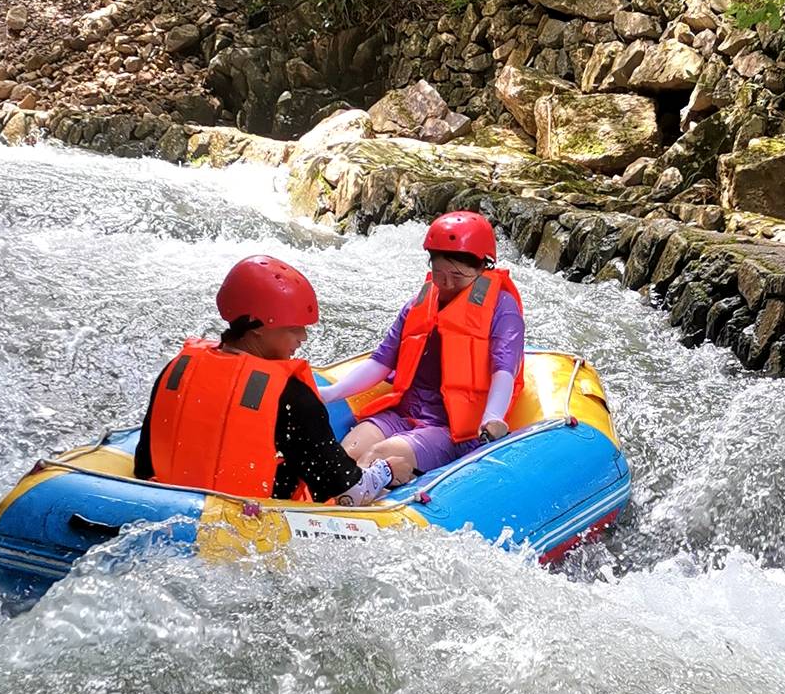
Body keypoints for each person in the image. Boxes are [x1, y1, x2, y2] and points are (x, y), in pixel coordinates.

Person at [134, 255, 392, 506]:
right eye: (294, 328)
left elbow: (143, 465)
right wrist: (384, 470)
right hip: (247, 524)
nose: (303, 337)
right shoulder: (292, 397)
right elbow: (351, 493)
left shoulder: (180, 368)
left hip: (163, 501)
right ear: (256, 326)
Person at [324, 211, 525, 483]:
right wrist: (332, 393)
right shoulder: (418, 305)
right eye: (439, 274)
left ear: (482, 268)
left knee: (380, 455)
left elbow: (504, 369)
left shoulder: (502, 309)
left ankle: (366, 499)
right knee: (349, 452)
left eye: (457, 276)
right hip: (406, 414)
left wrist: (491, 418)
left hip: (454, 429)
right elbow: (382, 361)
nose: (447, 285)